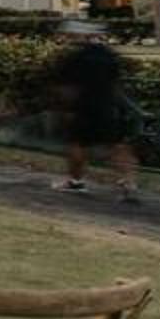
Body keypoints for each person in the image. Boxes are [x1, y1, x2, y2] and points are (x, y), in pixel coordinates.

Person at [48, 19, 138, 200]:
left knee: (76, 143)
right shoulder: (109, 55)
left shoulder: (75, 58)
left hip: (83, 106)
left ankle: (76, 181)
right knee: (116, 145)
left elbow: (67, 87)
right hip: (108, 105)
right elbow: (116, 81)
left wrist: (65, 109)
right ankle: (128, 181)